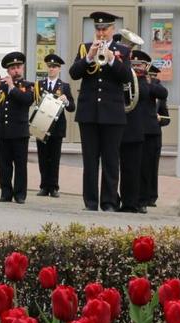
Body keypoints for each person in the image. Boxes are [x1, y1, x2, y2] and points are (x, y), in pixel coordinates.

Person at [69, 11, 132, 211]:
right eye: (98, 29)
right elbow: (74, 73)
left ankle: (109, 201)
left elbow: (126, 78)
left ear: (112, 29)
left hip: (113, 113)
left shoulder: (122, 50)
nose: (101, 32)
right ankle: (90, 201)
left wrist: (112, 59)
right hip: (89, 112)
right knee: (90, 159)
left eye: (105, 29)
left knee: (111, 160)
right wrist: (88, 57)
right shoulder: (85, 48)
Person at [0, 52, 34, 204]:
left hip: (20, 131)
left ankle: (20, 194)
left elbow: (26, 100)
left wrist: (11, 86)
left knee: (20, 164)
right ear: (8, 71)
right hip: (3, 130)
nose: (16, 71)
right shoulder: (2, 87)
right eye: (12, 69)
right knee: (4, 165)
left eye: (18, 67)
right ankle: (5, 192)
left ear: (22, 68)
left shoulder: (29, 86)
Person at [35, 54, 75, 198]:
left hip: (57, 126)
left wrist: (66, 101)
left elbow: (72, 108)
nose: (52, 69)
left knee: (54, 157)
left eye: (55, 67)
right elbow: (36, 103)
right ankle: (44, 186)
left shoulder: (64, 86)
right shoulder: (39, 85)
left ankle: (54, 187)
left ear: (59, 69)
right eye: (50, 66)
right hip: (42, 123)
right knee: (42, 156)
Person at [117, 49, 152, 213]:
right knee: (113, 168)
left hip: (134, 129)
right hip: (116, 127)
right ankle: (114, 199)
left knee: (133, 169)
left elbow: (145, 93)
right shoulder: (119, 74)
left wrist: (138, 76)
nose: (135, 67)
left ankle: (132, 202)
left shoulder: (143, 80)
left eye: (138, 64)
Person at [139, 65, 169, 210]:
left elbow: (167, 118)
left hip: (155, 134)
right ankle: (143, 195)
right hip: (141, 131)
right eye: (150, 75)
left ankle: (152, 196)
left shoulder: (159, 93)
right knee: (142, 166)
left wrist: (159, 119)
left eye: (154, 76)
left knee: (152, 167)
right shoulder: (142, 86)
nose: (152, 78)